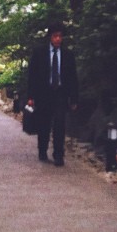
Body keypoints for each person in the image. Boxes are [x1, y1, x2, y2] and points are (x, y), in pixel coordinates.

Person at [27, 22, 79, 167]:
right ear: (50, 37)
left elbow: (73, 77)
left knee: (60, 125)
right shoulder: (39, 53)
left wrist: (74, 98)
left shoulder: (68, 55)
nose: (58, 39)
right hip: (44, 93)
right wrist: (31, 96)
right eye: (55, 36)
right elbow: (32, 75)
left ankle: (58, 154)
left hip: (60, 94)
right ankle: (42, 150)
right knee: (44, 124)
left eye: (60, 36)